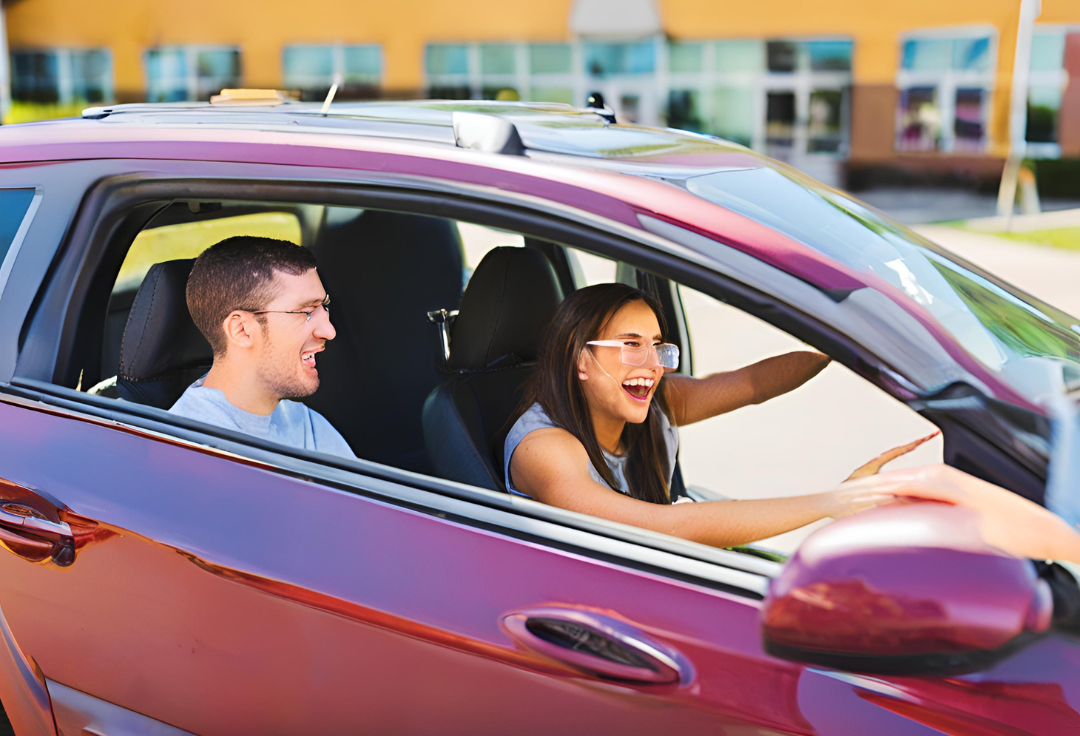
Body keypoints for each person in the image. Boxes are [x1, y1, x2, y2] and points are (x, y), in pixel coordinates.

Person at [504, 283, 1080, 559]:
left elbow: (754, 384)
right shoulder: (546, 448)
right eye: (630, 345)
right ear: (581, 358)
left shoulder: (654, 405)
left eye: (659, 346)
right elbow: (662, 527)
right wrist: (836, 502)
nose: (653, 365)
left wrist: (844, 334)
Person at [170, 236, 353, 459]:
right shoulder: (188, 451)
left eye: (324, 306)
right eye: (306, 311)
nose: (329, 331)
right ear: (242, 331)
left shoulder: (305, 425)